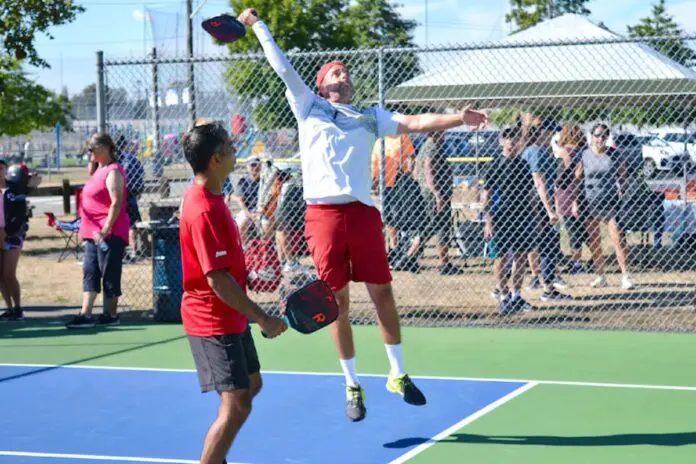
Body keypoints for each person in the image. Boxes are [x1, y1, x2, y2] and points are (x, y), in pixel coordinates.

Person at [239, 7, 488, 422]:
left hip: (363, 215)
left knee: (383, 293)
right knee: (335, 303)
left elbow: (416, 121)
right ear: (321, 84)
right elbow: (281, 66)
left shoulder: (372, 117)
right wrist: (257, 25)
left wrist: (458, 118)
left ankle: (397, 374)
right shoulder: (308, 106)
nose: (343, 74)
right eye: (335, 71)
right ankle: (352, 384)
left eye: (346, 71)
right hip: (323, 217)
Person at [179, 120, 286, 464]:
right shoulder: (204, 209)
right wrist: (263, 318)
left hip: (230, 313)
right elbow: (217, 280)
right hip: (212, 318)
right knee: (238, 402)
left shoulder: (214, 196)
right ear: (215, 159)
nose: (235, 149)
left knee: (251, 386)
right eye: (228, 145)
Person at [65, 133, 130, 329]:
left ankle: (110, 314)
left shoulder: (114, 171)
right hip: (91, 233)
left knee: (109, 271)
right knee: (90, 271)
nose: (89, 153)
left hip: (109, 233)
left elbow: (116, 203)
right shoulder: (97, 171)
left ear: (104, 148)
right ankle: (85, 314)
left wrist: (105, 229)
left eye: (92, 149)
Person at [481, 126, 536, 315]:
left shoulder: (523, 164)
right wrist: (488, 222)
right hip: (501, 217)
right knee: (501, 258)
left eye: (515, 138)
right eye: (507, 138)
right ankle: (504, 296)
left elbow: (529, 193)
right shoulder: (495, 164)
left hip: (522, 216)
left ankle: (516, 296)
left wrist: (533, 215)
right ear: (501, 141)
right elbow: (486, 195)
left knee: (521, 257)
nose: (511, 141)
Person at [574, 124, 634, 289]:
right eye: (598, 135)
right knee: (594, 240)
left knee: (617, 239)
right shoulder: (584, 154)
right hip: (589, 200)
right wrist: (575, 202)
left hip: (609, 200)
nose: (601, 139)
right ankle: (601, 275)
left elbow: (623, 176)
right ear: (591, 136)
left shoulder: (613, 154)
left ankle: (625, 275)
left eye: (604, 135)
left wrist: (624, 191)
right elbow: (577, 179)